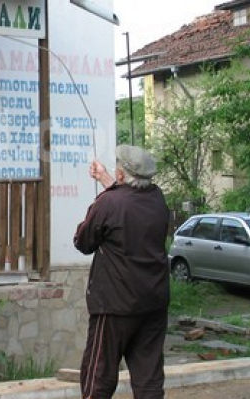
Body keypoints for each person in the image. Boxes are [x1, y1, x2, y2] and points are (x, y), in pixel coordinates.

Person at [74, 144, 171, 399]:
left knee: (98, 377)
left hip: (114, 305)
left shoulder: (108, 202)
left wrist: (102, 197)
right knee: (149, 379)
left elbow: (83, 242)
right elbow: (128, 204)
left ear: (120, 174)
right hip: (152, 303)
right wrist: (105, 179)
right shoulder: (157, 198)